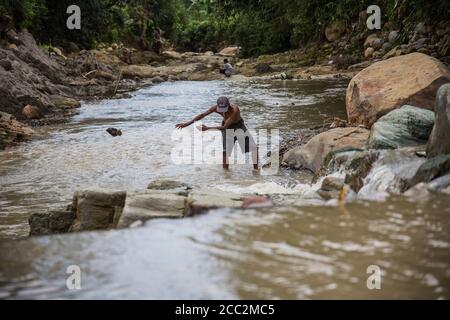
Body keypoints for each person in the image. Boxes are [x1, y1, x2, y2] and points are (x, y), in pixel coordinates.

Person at [175, 96, 258, 171]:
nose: (223, 111)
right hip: (227, 128)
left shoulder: (234, 110)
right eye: (220, 109)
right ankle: (225, 173)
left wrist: (207, 128)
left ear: (228, 105)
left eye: (224, 109)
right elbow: (202, 115)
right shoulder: (216, 108)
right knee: (226, 152)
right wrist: (187, 124)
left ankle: (256, 170)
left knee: (253, 148)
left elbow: (224, 127)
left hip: (238, 126)